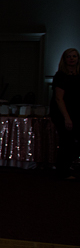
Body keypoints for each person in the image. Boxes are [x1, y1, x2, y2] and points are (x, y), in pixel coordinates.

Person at [52, 47, 80, 178]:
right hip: (63, 112)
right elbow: (59, 98)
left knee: (73, 142)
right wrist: (67, 118)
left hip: (76, 111)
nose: (72, 59)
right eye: (69, 56)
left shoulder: (78, 75)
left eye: (74, 56)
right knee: (67, 142)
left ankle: (65, 167)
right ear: (64, 59)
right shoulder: (61, 76)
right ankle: (62, 171)